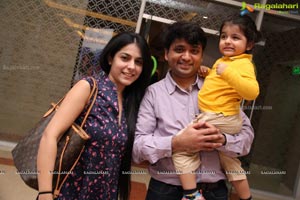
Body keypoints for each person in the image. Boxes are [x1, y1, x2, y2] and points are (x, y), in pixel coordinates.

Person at [132, 21, 254, 200]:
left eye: (194, 51)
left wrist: (223, 140)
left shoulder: (219, 86)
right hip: (165, 191)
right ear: (166, 54)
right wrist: (175, 143)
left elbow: (246, 138)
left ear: (202, 56)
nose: (187, 57)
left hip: (215, 191)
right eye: (179, 49)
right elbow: (137, 148)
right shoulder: (153, 93)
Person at [36, 32, 152, 200]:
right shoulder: (88, 87)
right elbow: (50, 136)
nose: (131, 66)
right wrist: (45, 193)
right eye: (125, 58)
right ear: (111, 58)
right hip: (70, 190)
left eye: (138, 62)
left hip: (104, 193)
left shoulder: (131, 102)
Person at [173, 15, 260, 200]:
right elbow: (220, 82)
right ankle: (247, 197)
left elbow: (252, 92)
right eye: (223, 36)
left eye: (235, 37)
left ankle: (191, 195)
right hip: (222, 116)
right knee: (230, 161)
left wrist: (227, 73)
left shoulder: (243, 64)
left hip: (220, 116)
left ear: (249, 44)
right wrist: (209, 72)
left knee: (182, 147)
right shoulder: (223, 62)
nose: (228, 41)